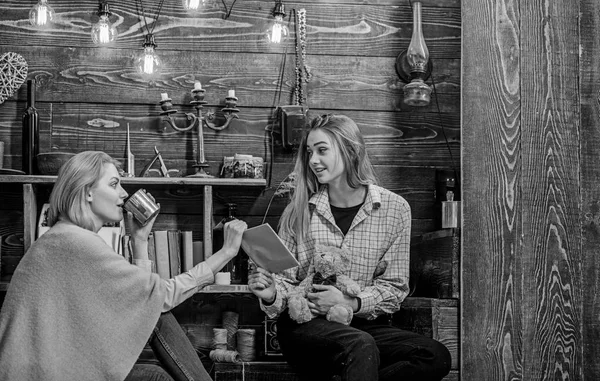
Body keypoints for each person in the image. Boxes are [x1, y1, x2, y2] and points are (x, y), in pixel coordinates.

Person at [0, 151, 247, 381]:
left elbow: (141, 298)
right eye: (114, 184)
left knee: (154, 366)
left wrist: (139, 240)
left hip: (49, 368)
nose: (123, 194)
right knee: (158, 331)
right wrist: (226, 253)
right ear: (87, 192)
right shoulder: (76, 242)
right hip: (47, 373)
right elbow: (160, 298)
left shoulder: (61, 237)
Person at [248, 114, 451, 381]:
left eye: (322, 150)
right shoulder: (298, 211)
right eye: (309, 152)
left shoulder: (395, 209)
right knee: (359, 344)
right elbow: (285, 283)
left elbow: (394, 287)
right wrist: (272, 294)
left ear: (350, 149)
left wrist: (351, 302)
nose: (312, 161)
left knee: (434, 355)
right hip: (304, 327)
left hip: (362, 322)